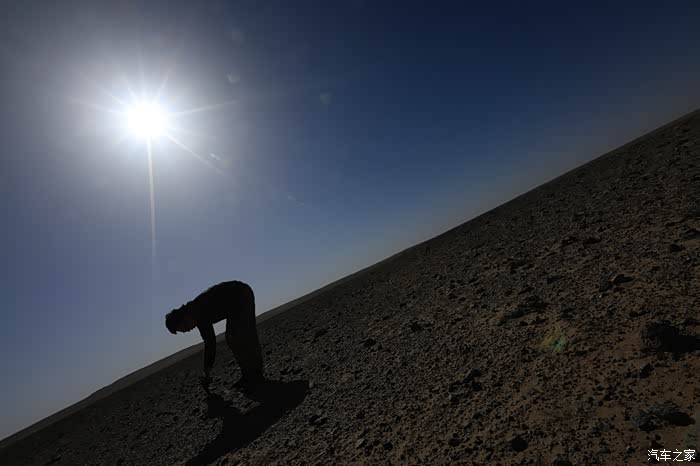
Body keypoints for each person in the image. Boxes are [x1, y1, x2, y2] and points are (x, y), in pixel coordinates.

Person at [165, 280, 264, 391]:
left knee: (241, 336)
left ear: (183, 319)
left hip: (241, 294)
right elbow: (210, 343)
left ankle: (255, 374)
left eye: (183, 328)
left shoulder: (198, 310)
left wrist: (207, 371)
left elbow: (210, 343)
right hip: (236, 301)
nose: (187, 330)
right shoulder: (196, 314)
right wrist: (207, 371)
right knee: (234, 338)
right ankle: (250, 374)